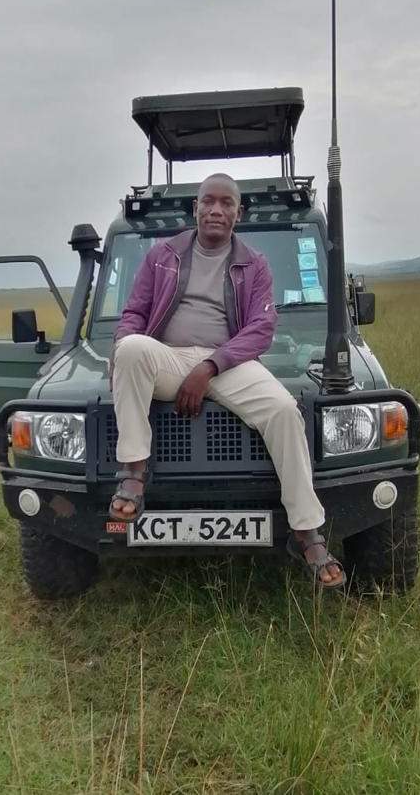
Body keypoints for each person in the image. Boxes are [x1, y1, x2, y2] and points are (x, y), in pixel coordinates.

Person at [108, 173, 345, 588]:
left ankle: (306, 531)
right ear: (195, 208)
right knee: (129, 350)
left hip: (228, 361)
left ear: (239, 213)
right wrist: (120, 346)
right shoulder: (162, 255)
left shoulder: (254, 264)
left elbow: (260, 329)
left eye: (226, 203)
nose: (216, 210)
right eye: (208, 201)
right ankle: (133, 472)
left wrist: (210, 366)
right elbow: (134, 312)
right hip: (169, 356)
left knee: (283, 410)